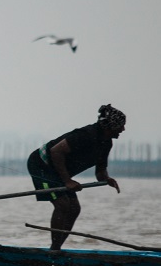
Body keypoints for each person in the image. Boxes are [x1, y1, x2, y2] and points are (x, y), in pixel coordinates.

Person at [27, 104, 126, 250]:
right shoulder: (86, 135)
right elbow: (56, 152)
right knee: (63, 205)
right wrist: (67, 181)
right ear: (109, 126)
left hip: (58, 172)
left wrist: (107, 179)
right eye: (121, 126)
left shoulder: (106, 143)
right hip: (42, 165)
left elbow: (100, 172)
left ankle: (56, 248)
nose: (123, 130)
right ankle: (54, 250)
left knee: (74, 209)